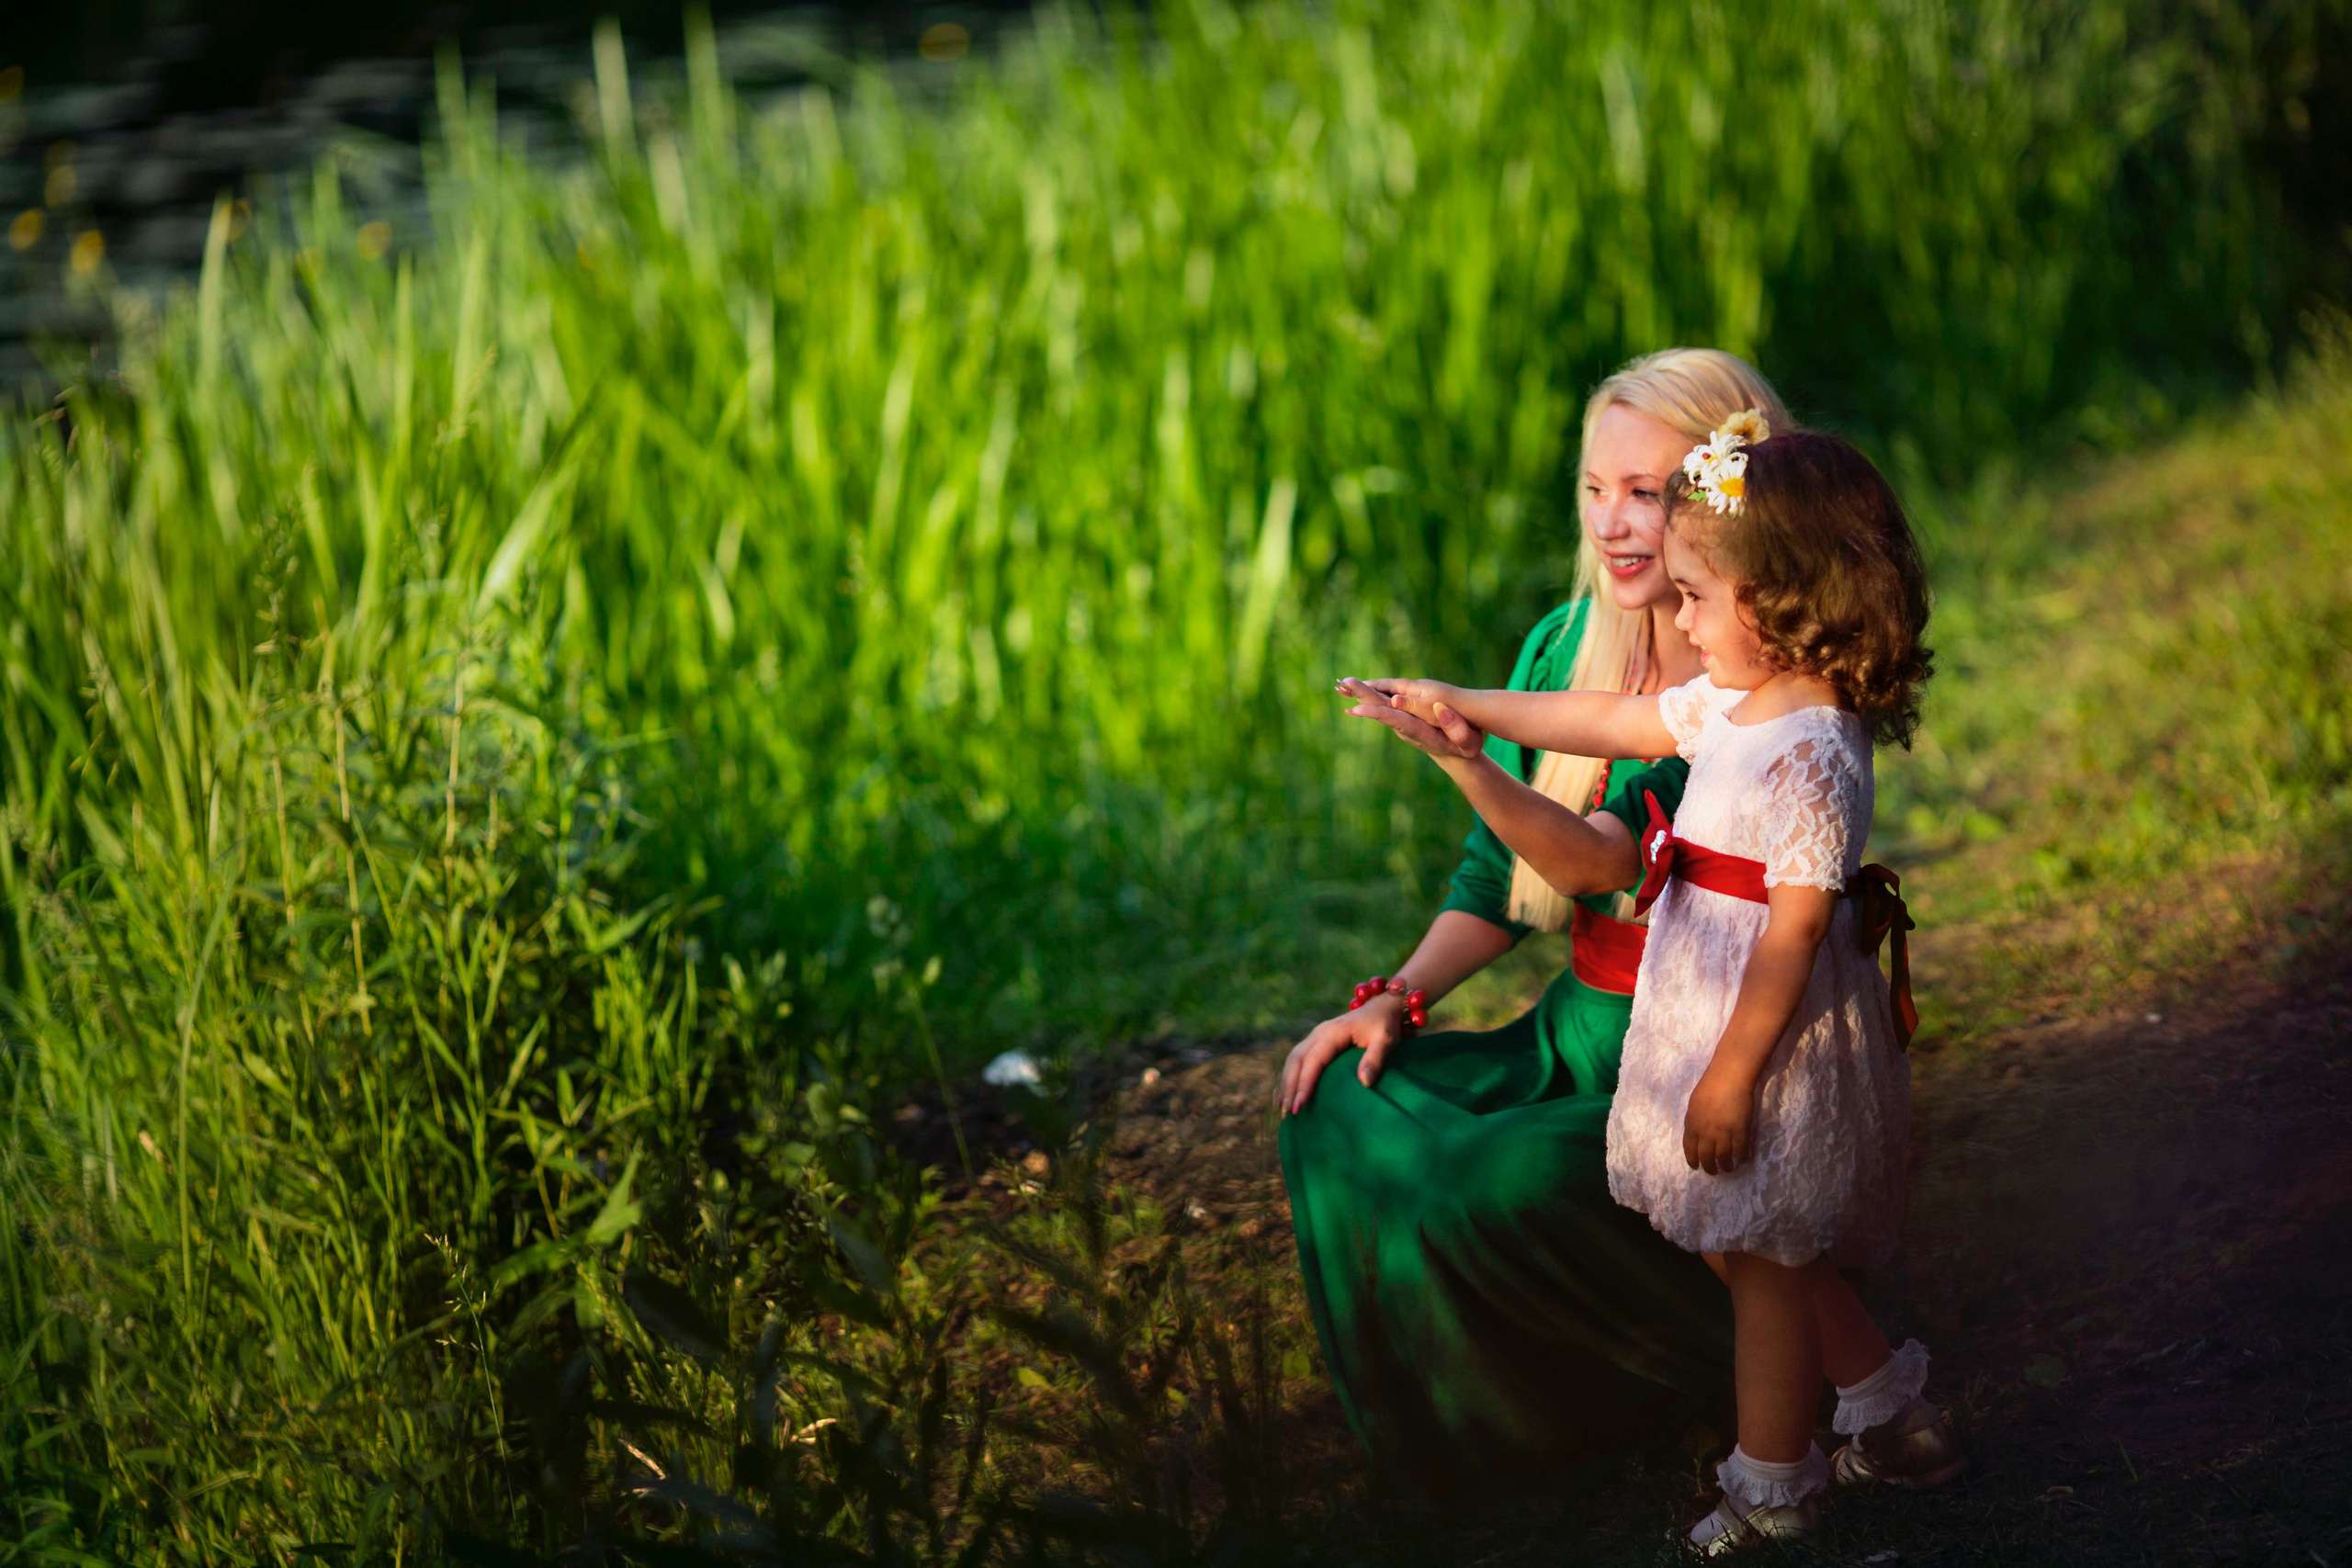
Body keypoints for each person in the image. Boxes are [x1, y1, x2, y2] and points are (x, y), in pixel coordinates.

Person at [1346, 415, 1963, 1553]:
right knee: (1742, 1242)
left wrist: (1731, 1077)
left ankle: (1773, 1492)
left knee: (1766, 1266)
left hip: (1762, 1038)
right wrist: (1464, 709)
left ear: (1780, 600)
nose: (1675, 621)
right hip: (1706, 1007)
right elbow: (1610, 719)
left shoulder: (1816, 747)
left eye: (1696, 598)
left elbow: (1793, 934)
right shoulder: (1732, 703)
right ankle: (1894, 1417)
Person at [1274, 350, 1789, 1502]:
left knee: (1492, 1182)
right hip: (1577, 1031)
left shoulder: (1744, 673)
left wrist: (1465, 763)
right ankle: (1470, 1428)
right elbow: (1494, 887)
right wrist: (1393, 1002)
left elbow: (1597, 856)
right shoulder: (1565, 645)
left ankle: (1694, 1382)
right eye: (1595, 488)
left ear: (1718, 499)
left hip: (1695, 1049)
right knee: (1337, 1107)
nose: (1614, 523)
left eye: (1647, 493)